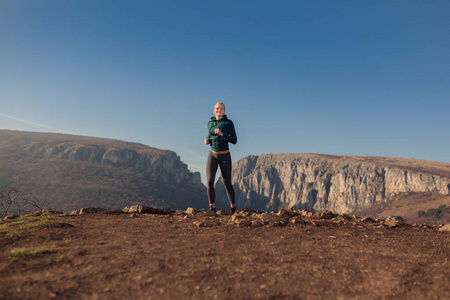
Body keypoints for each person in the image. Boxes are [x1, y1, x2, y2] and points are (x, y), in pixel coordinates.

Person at [204, 102, 237, 214]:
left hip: (224, 155)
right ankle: (212, 208)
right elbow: (210, 135)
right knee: (209, 181)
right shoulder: (210, 123)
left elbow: (234, 140)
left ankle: (233, 208)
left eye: (221, 109)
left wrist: (223, 134)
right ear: (214, 110)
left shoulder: (228, 123)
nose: (219, 111)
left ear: (224, 111)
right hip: (212, 155)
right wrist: (207, 140)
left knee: (227, 182)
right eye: (217, 109)